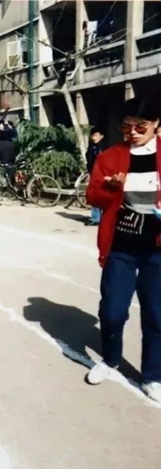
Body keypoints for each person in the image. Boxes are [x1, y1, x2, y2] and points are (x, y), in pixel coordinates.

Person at [85, 98, 161, 403]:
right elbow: (92, 195)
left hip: (157, 249)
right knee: (112, 311)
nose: (133, 133)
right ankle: (110, 359)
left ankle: (153, 375)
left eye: (140, 126)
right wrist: (111, 188)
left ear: (156, 124)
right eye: (126, 127)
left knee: (156, 314)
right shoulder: (110, 156)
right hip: (121, 246)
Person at [86, 127, 106, 226]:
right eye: (93, 136)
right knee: (94, 195)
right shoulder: (91, 147)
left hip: (102, 174)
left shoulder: (104, 148)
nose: (94, 138)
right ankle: (96, 218)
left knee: (102, 196)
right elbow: (89, 160)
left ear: (101, 136)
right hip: (93, 173)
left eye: (96, 136)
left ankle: (103, 217)